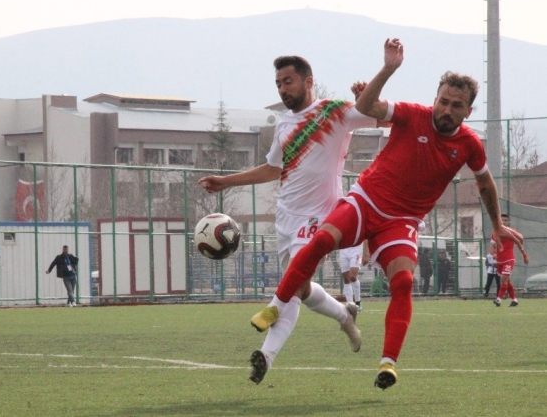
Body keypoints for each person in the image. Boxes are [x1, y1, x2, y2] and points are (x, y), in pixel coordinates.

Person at [249, 38, 524, 390]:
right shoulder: (412, 113)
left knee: (404, 283)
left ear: (467, 112)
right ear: (434, 98)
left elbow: (485, 183)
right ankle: (276, 307)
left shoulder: (469, 144)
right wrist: (389, 68)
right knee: (320, 242)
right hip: (365, 201)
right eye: (442, 101)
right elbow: (368, 105)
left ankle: (388, 363)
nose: (446, 110)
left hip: (401, 222)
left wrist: (498, 224)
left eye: (456, 106)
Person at [198, 55, 378, 385]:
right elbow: (272, 169)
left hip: (320, 218)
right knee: (303, 288)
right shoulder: (283, 125)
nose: (283, 89)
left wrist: (372, 97)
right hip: (286, 218)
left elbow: (383, 118)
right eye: (279, 84)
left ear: (308, 82)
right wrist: (225, 181)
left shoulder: (333, 111)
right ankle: (344, 314)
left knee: (292, 286)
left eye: (288, 82)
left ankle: (265, 355)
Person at [493, 214, 529, 307]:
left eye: (505, 220)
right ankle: (514, 299)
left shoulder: (512, 232)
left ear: (508, 222)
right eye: (502, 220)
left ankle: (498, 299)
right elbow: (493, 245)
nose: (504, 222)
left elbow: (519, 242)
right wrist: (493, 253)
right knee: (507, 281)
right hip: (500, 260)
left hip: (509, 259)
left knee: (504, 280)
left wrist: (524, 255)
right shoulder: (495, 232)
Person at [339, 242, 366, 310]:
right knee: (346, 279)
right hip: (343, 250)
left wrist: (366, 252)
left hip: (357, 250)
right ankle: (350, 305)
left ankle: (358, 302)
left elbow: (365, 238)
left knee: (352, 277)